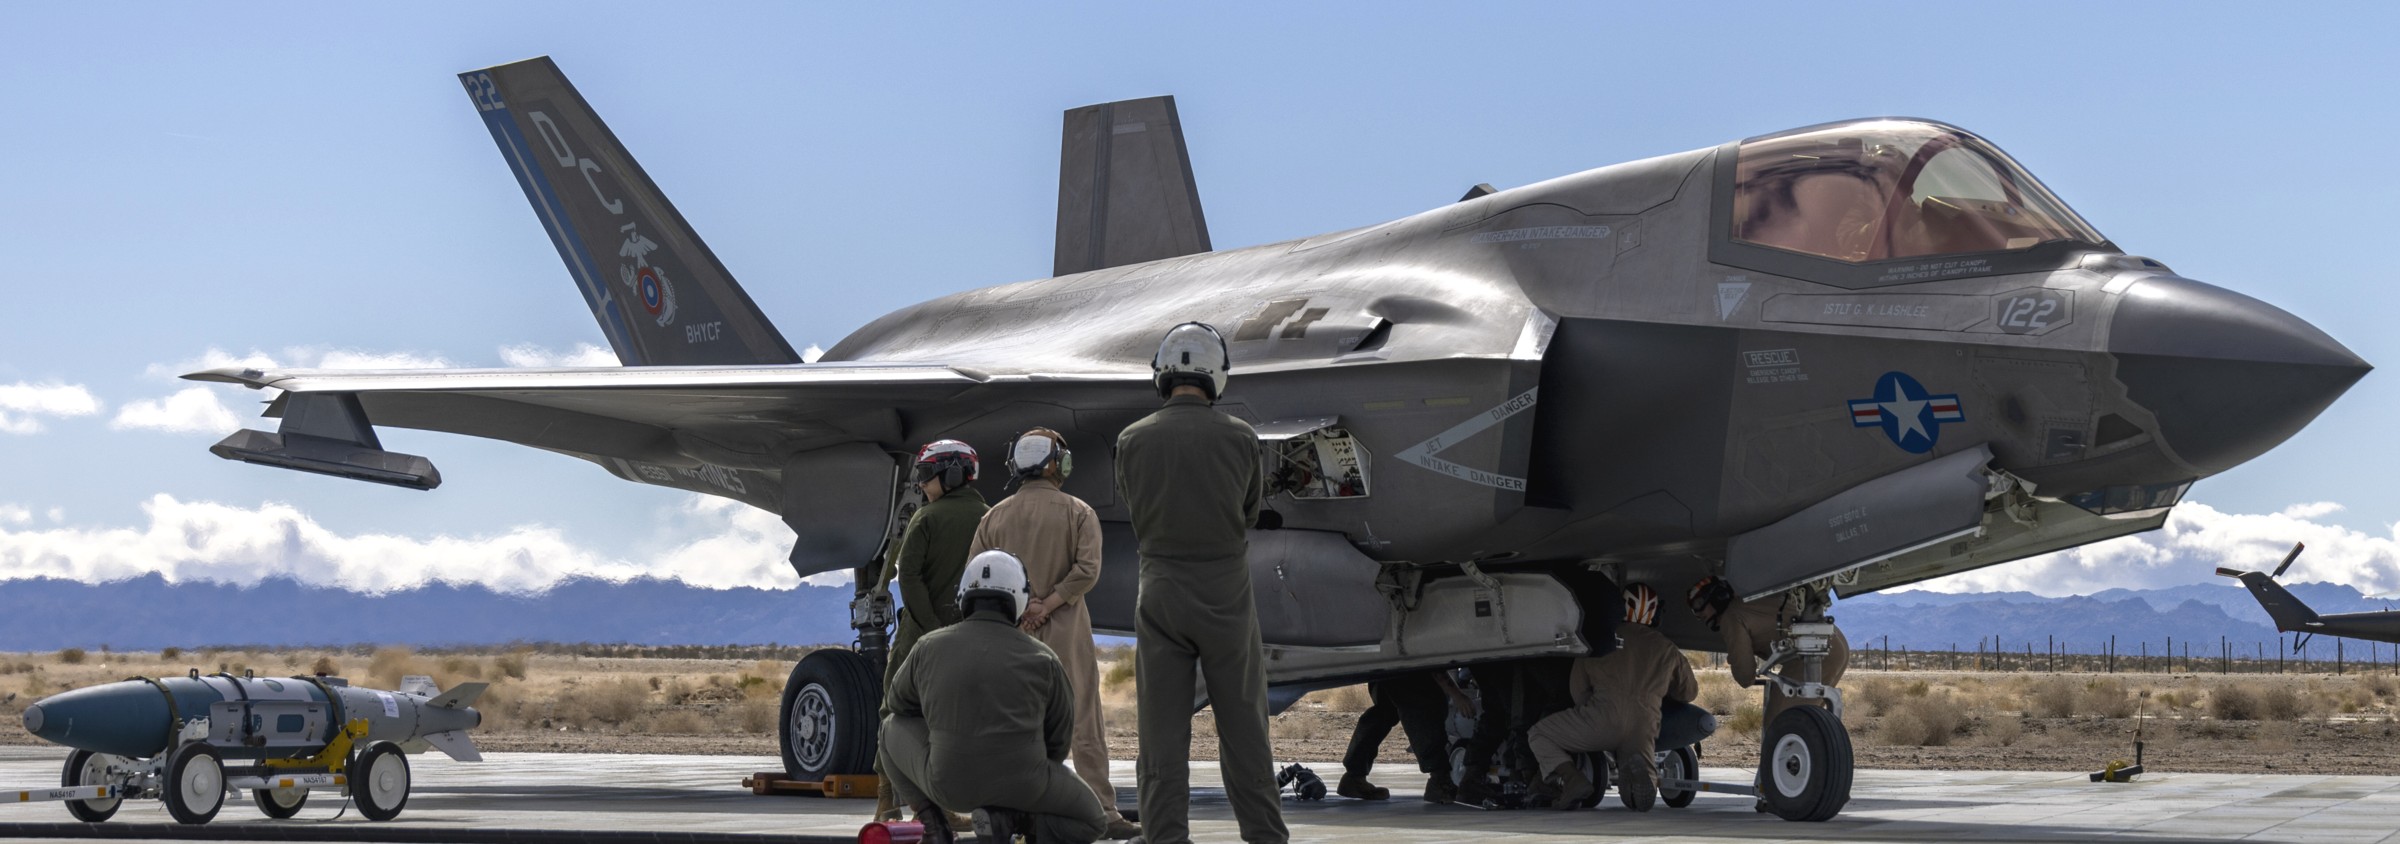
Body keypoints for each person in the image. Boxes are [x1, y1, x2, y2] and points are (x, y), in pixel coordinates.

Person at [1115, 322, 1287, 844]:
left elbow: (1133, 506)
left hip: (1160, 590)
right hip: (1225, 593)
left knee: (1161, 731)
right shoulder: (1240, 437)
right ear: (1217, 374)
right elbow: (1249, 512)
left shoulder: (1132, 439)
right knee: (1244, 724)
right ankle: (1264, 834)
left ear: (1163, 374)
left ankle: (1165, 834)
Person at [968, 429, 1141, 841]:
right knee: (1083, 719)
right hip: (1066, 629)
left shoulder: (994, 517)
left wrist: (1024, 607)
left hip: (1012, 632)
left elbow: (977, 570)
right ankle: (1102, 811)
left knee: (1014, 720)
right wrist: (1048, 604)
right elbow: (1088, 570)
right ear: (1057, 464)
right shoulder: (1079, 512)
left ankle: (1011, 810)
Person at [879, 551, 1111, 844]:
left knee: (888, 728)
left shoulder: (928, 647)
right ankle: (1012, 820)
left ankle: (933, 826)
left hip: (949, 786)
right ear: (1020, 600)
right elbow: (1059, 741)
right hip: (1026, 787)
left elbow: (898, 706)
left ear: (963, 596)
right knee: (1093, 821)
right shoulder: (1044, 659)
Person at [875, 439, 989, 824]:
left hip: (919, 636)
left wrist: (929, 627)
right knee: (950, 722)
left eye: (926, 474)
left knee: (895, 712)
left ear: (952, 475)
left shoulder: (926, 518)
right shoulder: (990, 517)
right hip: (969, 634)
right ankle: (942, 807)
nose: (921, 483)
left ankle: (887, 802)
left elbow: (908, 576)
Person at [1527, 583, 1697, 812]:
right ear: (1654, 614)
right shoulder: (1667, 648)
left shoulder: (1600, 641)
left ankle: (1573, 780)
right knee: (1635, 798)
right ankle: (1637, 779)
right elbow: (1688, 692)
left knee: (1539, 734)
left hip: (1601, 721)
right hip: (1643, 726)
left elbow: (1578, 691)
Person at [1687, 575, 1850, 724]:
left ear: (1717, 597)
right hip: (1832, 642)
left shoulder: (1731, 616)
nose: (1698, 613)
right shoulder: (1752, 602)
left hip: (1812, 651)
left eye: (1700, 604)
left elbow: (1744, 674)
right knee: (1804, 720)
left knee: (1778, 722)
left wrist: (1740, 666)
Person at [1337, 672, 1460, 803]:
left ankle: (1354, 776)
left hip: (1384, 664)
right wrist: (1457, 694)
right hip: (1403, 666)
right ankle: (1440, 780)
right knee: (1421, 703)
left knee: (1387, 708)